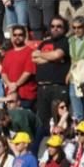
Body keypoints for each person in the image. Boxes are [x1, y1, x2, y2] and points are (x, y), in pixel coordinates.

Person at [32, 16, 70, 144]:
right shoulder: (44, 43)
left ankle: (61, 149)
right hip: (42, 88)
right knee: (42, 123)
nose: (55, 29)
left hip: (57, 87)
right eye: (53, 26)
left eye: (59, 26)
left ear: (64, 29)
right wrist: (51, 57)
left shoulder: (65, 41)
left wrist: (47, 56)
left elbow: (57, 54)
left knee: (60, 122)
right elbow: (34, 58)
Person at [0, 25, 37, 110]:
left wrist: (15, 85)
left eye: (20, 35)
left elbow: (28, 72)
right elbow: (3, 72)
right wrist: (9, 84)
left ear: (24, 37)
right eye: (15, 35)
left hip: (26, 95)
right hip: (11, 95)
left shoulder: (30, 52)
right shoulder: (8, 54)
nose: (17, 37)